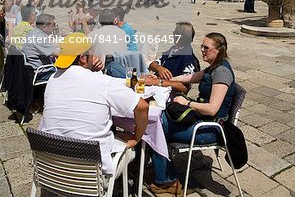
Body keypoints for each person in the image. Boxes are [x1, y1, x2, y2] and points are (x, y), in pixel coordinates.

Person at [40, 33, 149, 176]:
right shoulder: (102, 82)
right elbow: (142, 106)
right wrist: (136, 138)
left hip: (54, 168)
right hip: (91, 173)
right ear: (83, 58)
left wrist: (91, 69)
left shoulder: (52, 80)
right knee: (130, 148)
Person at [148, 32, 235, 195]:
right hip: (200, 122)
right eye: (202, 46)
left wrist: (186, 103)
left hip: (209, 131)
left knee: (153, 124)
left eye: (206, 47)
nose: (202, 50)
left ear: (218, 51)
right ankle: (160, 169)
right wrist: (164, 79)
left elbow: (212, 109)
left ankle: (168, 180)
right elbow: (189, 77)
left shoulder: (221, 73)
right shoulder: (212, 68)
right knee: (158, 117)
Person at [22, 13, 59, 79]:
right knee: (66, 74)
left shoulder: (34, 33)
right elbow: (57, 53)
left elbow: (51, 45)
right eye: (53, 25)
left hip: (34, 69)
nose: (55, 27)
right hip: (42, 73)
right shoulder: (39, 37)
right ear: (44, 27)